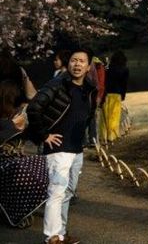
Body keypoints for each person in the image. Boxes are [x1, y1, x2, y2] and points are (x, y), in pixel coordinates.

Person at [26, 48, 97, 244]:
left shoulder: (89, 89)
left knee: (67, 193)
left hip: (76, 149)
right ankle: (52, 237)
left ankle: (61, 234)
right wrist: (44, 135)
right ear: (69, 63)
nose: (77, 64)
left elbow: (88, 116)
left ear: (88, 66)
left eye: (82, 61)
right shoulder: (57, 84)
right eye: (74, 60)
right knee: (56, 191)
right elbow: (34, 107)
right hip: (58, 147)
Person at [0, 78, 49, 229]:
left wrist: (34, 128)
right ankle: (14, 212)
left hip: (14, 158)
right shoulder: (8, 119)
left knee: (46, 164)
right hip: (4, 161)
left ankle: (24, 208)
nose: (21, 106)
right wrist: (13, 126)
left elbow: (35, 137)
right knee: (22, 169)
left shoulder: (18, 115)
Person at [101, 51, 129, 145]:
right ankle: (112, 136)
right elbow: (124, 84)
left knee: (105, 116)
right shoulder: (124, 69)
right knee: (114, 116)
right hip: (116, 94)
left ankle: (103, 137)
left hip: (106, 93)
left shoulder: (108, 68)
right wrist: (123, 95)